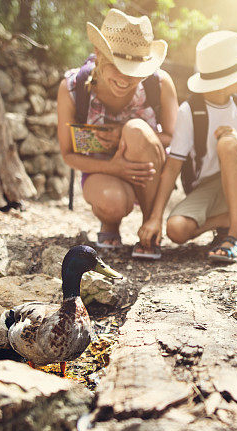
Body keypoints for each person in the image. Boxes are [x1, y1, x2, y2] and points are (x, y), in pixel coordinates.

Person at [137, 31, 237, 263]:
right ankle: (229, 218)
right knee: (176, 229)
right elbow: (172, 168)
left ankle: (236, 235)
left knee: (229, 142)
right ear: (226, 79)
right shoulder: (189, 111)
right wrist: (155, 217)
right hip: (208, 187)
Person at [56, 8, 178, 258]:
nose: (126, 78)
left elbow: (176, 140)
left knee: (136, 130)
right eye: (118, 66)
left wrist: (124, 132)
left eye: (134, 69)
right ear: (99, 55)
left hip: (147, 166)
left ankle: (150, 228)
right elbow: (68, 154)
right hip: (102, 170)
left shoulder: (160, 84)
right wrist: (116, 167)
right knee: (112, 201)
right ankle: (110, 223)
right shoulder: (72, 89)